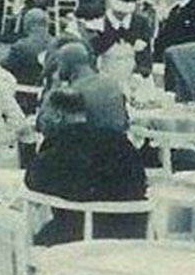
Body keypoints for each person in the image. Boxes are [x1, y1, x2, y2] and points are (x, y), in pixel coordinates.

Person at [25, 89, 147, 246]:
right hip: (135, 235)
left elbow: (32, 182)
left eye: (42, 113)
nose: (39, 120)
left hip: (81, 241)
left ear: (57, 117)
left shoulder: (57, 152)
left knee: (35, 242)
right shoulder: (119, 141)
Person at [37, 42, 128, 136]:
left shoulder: (71, 94)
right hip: (117, 146)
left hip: (86, 146)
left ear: (67, 64)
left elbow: (42, 125)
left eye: (59, 63)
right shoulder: (112, 85)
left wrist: (53, 86)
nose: (58, 68)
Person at [3, 8, 53, 87]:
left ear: (27, 24)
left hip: (24, 92)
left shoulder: (20, 47)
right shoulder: (58, 45)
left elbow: (4, 69)